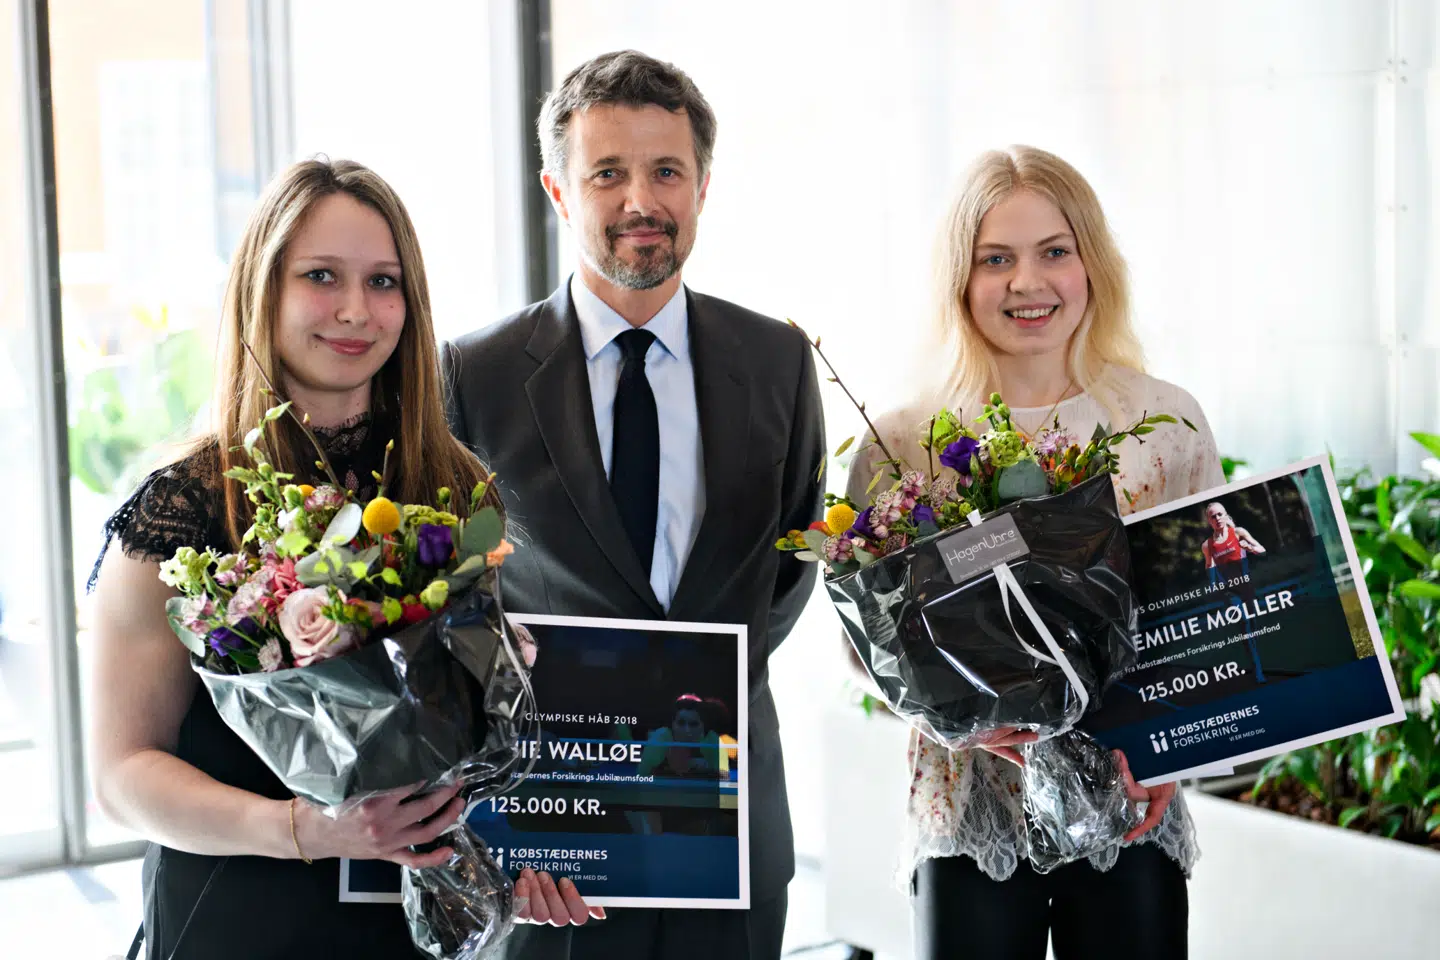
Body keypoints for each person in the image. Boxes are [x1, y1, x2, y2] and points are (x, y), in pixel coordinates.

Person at [446, 50, 824, 960]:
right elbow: (452, 591)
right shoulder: (475, 374)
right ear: (559, 190)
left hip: (728, 815)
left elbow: (793, 561)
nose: (639, 201)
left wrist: (688, 686)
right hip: (549, 836)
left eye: (666, 171)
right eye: (607, 173)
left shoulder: (777, 359)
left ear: (702, 186)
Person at [88, 159, 501, 958]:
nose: (356, 310)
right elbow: (121, 777)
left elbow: (479, 732)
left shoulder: (458, 488)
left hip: (412, 922)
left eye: (385, 282)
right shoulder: (181, 504)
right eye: (321, 276)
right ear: (262, 290)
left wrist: (536, 854)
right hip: (238, 916)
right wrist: (309, 830)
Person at [847, 145, 1225, 959]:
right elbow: (867, 642)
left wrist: (1173, 746)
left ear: (1093, 262)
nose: (1028, 282)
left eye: (1055, 250)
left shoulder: (1164, 424)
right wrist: (963, 720)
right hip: (968, 802)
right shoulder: (902, 439)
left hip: (1133, 796)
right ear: (960, 278)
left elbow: (1205, 615)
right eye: (996, 259)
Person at [1202, 500, 1268, 680]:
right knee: (1245, 626)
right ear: (1209, 521)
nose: (1217, 518)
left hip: (1247, 587)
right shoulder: (1208, 545)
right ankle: (1258, 670)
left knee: (1253, 627)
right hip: (1230, 592)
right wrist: (1213, 582)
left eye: (1219, 514)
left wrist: (1251, 549)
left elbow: (1262, 550)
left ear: (1224, 515)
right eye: (1212, 516)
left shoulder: (1238, 533)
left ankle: (1256, 659)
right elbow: (1209, 565)